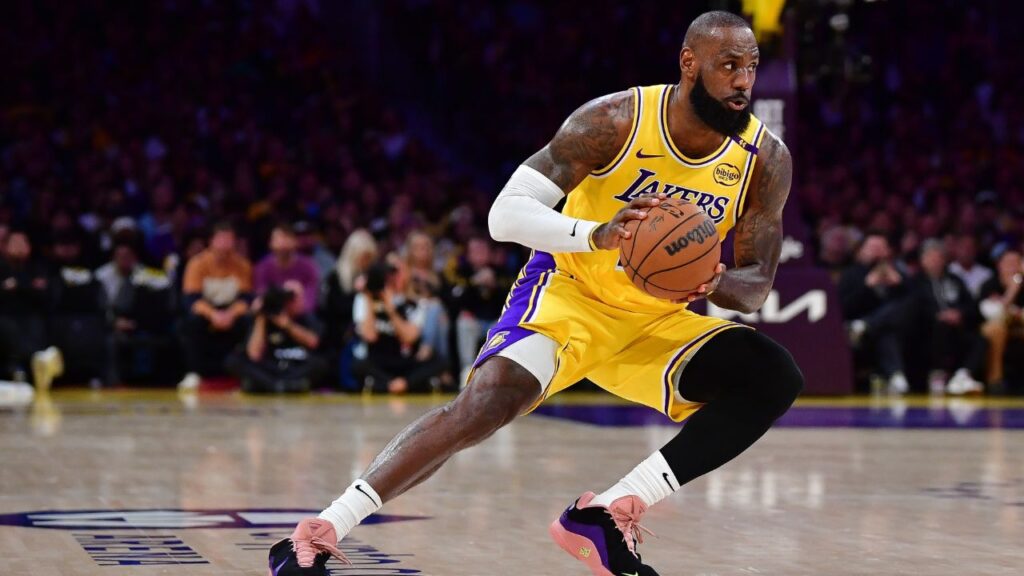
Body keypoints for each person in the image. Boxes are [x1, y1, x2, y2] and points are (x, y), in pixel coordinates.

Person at [269, 12, 802, 576]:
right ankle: (321, 529)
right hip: (569, 295)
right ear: (689, 63)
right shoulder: (615, 120)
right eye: (728, 65)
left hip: (654, 321)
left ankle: (607, 511)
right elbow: (505, 215)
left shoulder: (765, 159)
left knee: (773, 376)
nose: (743, 80)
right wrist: (596, 235)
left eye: (751, 66)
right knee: (484, 405)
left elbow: (756, 285)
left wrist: (713, 279)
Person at [351, 258, 446, 394]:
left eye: (397, 272)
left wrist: (391, 311)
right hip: (378, 362)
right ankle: (394, 384)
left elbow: (410, 337)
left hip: (406, 361)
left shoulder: (414, 303)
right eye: (388, 274)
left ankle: (400, 384)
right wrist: (370, 297)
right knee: (358, 364)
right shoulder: (364, 299)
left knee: (439, 361)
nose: (392, 278)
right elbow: (370, 336)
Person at [178, 223, 253, 390]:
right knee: (192, 321)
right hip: (206, 312)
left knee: (249, 320)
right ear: (211, 241)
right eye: (221, 239)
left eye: (229, 240)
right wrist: (213, 315)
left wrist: (231, 314)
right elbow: (191, 299)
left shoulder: (243, 265)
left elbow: (246, 299)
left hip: (231, 312)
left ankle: (245, 374)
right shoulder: (197, 263)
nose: (225, 245)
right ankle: (194, 372)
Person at [905, 239, 985, 394]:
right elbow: (912, 310)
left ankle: (963, 375)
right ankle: (938, 374)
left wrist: (959, 313)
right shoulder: (914, 282)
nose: (935, 261)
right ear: (922, 260)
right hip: (927, 331)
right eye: (930, 257)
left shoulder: (955, 280)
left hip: (957, 329)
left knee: (981, 339)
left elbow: (971, 306)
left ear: (944, 259)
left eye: (938, 257)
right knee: (941, 328)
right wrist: (937, 315)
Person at [838, 233, 910, 394]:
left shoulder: (898, 273)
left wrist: (899, 285)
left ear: (888, 251)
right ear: (862, 250)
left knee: (896, 310)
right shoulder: (851, 274)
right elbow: (843, 308)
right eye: (872, 247)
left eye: (880, 248)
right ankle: (896, 375)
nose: (876, 252)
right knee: (885, 332)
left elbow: (912, 305)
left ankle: (866, 325)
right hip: (858, 332)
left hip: (894, 328)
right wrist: (866, 286)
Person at [225, 282, 327, 393]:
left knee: (320, 363)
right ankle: (282, 385)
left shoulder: (307, 318)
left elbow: (313, 342)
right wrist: (261, 317)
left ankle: (266, 385)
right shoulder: (264, 318)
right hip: (269, 367)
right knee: (234, 361)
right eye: (287, 298)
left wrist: (288, 325)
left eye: (294, 297)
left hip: (296, 365)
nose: (291, 302)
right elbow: (254, 355)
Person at [446, 235, 511, 386]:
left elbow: (512, 299)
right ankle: (467, 369)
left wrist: (494, 285)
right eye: (475, 250)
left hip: (495, 320)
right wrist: (474, 282)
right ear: (468, 254)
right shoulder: (461, 272)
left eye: (483, 250)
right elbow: (453, 300)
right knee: (464, 322)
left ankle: (500, 373)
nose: (480, 254)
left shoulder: (501, 272)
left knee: (508, 325)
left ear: (490, 253)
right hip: (473, 321)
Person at [978, 248, 1024, 389]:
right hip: (995, 329)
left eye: (1016, 263)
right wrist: (1012, 290)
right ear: (999, 265)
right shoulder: (990, 284)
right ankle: (995, 381)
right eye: (1008, 263)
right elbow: (992, 314)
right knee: (995, 329)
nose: (1012, 267)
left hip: (1019, 328)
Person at [254, 223, 320, 315]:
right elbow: (261, 294)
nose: (283, 242)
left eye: (286, 237)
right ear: (270, 243)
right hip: (272, 313)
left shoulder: (308, 266)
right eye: (278, 238)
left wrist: (298, 301)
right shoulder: (263, 267)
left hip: (300, 313)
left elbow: (310, 301)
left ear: (295, 242)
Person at [948, 234, 992, 300]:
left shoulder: (986, 274)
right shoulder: (949, 271)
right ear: (956, 249)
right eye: (963, 248)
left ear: (976, 250)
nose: (966, 252)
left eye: (970, 248)